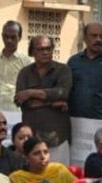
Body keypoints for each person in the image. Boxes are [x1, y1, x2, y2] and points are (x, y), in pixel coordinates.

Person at [15, 35, 72, 164]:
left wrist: (30, 92)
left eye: (48, 48)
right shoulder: (24, 73)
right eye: (40, 49)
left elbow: (62, 93)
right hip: (31, 138)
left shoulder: (63, 70)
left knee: (57, 178)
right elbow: (21, 101)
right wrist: (52, 103)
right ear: (32, 52)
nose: (45, 52)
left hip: (56, 136)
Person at [68, 22, 102, 120]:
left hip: (101, 120)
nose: (98, 39)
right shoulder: (73, 61)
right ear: (85, 38)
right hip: (75, 120)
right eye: (94, 36)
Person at [9, 137, 76, 183]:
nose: (43, 157)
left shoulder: (59, 170)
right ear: (26, 158)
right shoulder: (17, 178)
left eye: (46, 152)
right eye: (37, 153)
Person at [0, 21, 33, 112]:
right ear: (2, 36)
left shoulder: (27, 61)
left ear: (19, 38)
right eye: (6, 36)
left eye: (13, 37)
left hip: (15, 110)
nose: (9, 40)